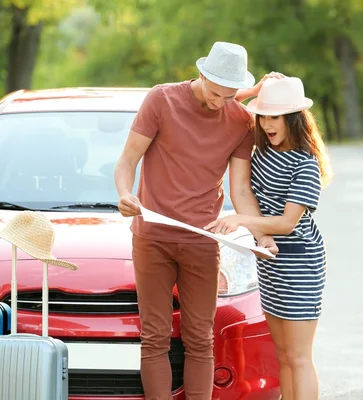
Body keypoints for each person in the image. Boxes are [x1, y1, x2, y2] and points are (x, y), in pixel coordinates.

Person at [114, 41, 279, 399]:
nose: (221, 102)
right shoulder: (161, 100)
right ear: (202, 74)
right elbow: (128, 160)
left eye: (230, 95)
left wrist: (261, 233)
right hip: (152, 237)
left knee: (201, 339)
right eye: (216, 93)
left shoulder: (240, 121)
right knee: (154, 337)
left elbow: (240, 191)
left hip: (202, 241)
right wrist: (126, 194)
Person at [204, 76, 332, 400]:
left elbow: (289, 223)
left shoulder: (306, 164)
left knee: (299, 358)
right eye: (263, 116)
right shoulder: (260, 153)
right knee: (283, 356)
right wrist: (253, 90)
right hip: (270, 260)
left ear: (293, 118)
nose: (267, 124)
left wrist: (240, 221)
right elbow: (226, 108)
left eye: (275, 117)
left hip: (301, 261)